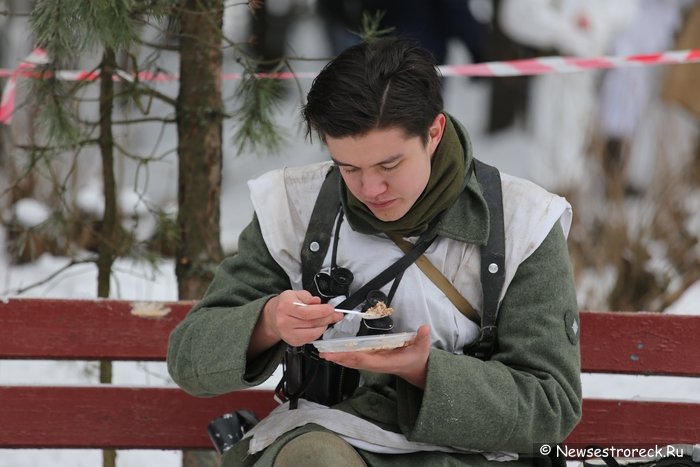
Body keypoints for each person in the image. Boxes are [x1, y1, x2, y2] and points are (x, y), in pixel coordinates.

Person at [167, 37, 582, 467]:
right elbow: (189, 358)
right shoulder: (295, 207)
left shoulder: (523, 221)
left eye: (389, 166)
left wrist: (424, 370)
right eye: (349, 168)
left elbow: (551, 406)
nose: (370, 190)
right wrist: (269, 322)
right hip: (331, 441)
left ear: (433, 133)